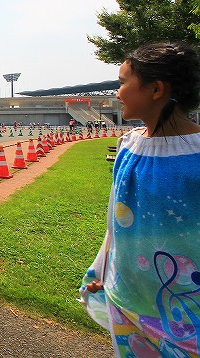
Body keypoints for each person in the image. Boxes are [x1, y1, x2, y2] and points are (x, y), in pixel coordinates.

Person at [80, 41, 200, 357]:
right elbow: (117, 225)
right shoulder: (128, 146)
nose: (117, 93)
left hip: (188, 325)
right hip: (128, 308)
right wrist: (104, 273)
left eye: (123, 82)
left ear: (156, 89)